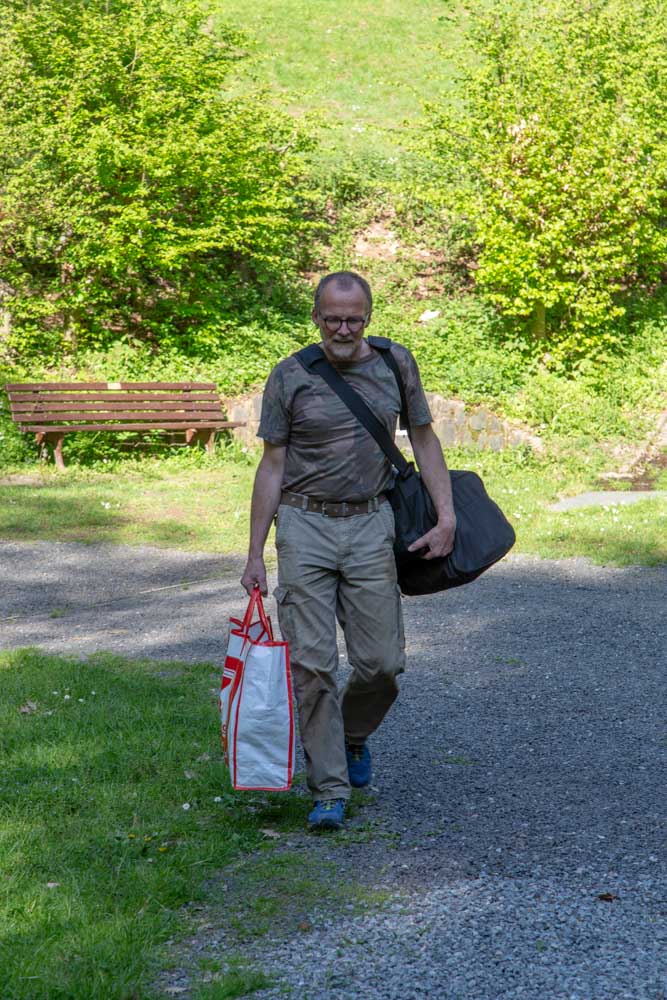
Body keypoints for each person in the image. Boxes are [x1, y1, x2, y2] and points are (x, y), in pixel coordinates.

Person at [240, 271, 456, 830]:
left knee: (382, 664)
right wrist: (254, 553)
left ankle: (351, 736)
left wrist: (447, 515)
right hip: (304, 524)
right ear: (315, 317)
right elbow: (272, 465)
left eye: (353, 319)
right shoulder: (289, 376)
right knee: (311, 664)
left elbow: (425, 439)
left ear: (368, 318)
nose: (342, 328)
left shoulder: (395, 363)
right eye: (332, 318)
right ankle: (329, 789)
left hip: (370, 524)